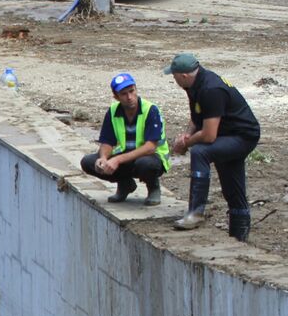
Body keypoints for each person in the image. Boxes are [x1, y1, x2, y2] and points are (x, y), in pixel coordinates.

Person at [165, 53, 261, 240]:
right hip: (227, 135)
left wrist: (186, 143)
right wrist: (188, 134)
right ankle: (239, 238)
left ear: (183, 75)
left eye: (174, 75)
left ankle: (196, 212)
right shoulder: (193, 84)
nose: (173, 78)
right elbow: (197, 117)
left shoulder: (210, 89)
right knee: (232, 187)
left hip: (242, 137)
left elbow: (209, 136)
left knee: (201, 151)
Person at [80, 72, 169, 206]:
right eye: (124, 94)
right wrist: (103, 158)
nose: (129, 97)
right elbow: (107, 142)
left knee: (145, 164)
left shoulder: (150, 110)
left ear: (136, 89)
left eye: (132, 91)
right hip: (127, 157)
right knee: (88, 162)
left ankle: (153, 186)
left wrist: (117, 159)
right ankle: (125, 184)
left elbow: (150, 147)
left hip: (151, 156)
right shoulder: (113, 111)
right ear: (116, 97)